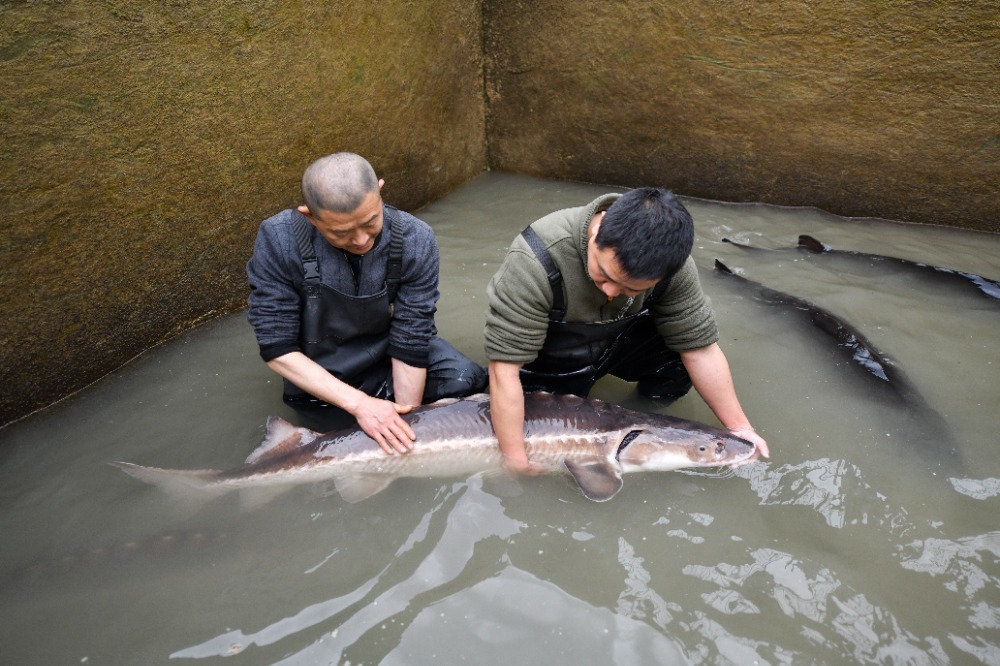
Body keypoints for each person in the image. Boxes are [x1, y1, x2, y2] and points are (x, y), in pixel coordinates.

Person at [484, 187, 769, 474]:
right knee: (534, 417)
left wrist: (740, 428)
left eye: (630, 289)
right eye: (604, 274)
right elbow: (503, 370)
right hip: (552, 356)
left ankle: (640, 422)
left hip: (615, 342)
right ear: (598, 230)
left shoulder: (674, 268)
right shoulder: (535, 258)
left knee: (677, 359)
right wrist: (516, 461)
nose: (610, 292)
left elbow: (701, 350)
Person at [247, 152, 487, 453]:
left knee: (468, 379)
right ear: (309, 216)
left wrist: (403, 421)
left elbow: (411, 335)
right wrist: (360, 405)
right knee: (328, 422)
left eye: (370, 222)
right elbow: (276, 347)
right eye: (341, 233)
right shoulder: (278, 240)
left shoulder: (415, 238)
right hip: (323, 369)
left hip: (386, 353)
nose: (361, 240)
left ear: (380, 191)